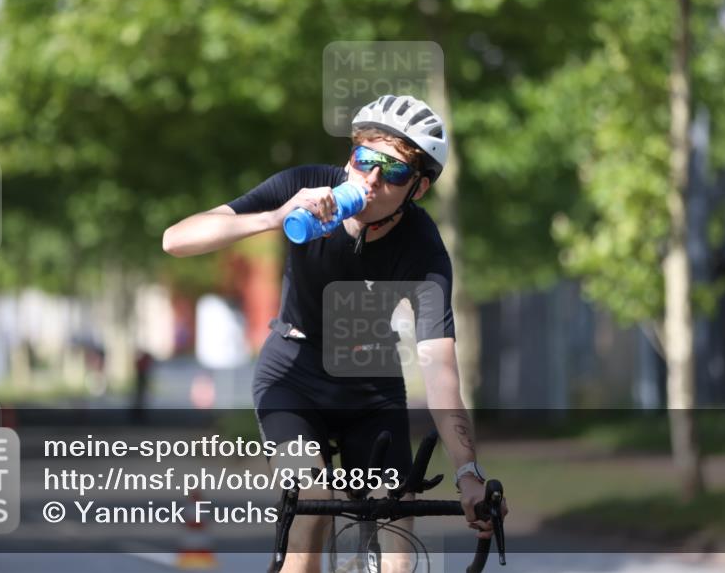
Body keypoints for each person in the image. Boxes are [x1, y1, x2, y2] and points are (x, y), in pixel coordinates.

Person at [163, 94, 506, 572]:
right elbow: (175, 239)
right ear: (350, 157)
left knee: (396, 523)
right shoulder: (305, 185)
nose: (370, 180)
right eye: (364, 160)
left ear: (419, 188)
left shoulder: (424, 250)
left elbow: (439, 367)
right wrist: (275, 217)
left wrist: (468, 472)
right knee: (314, 498)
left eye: (395, 172)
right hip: (293, 376)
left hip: (371, 383)